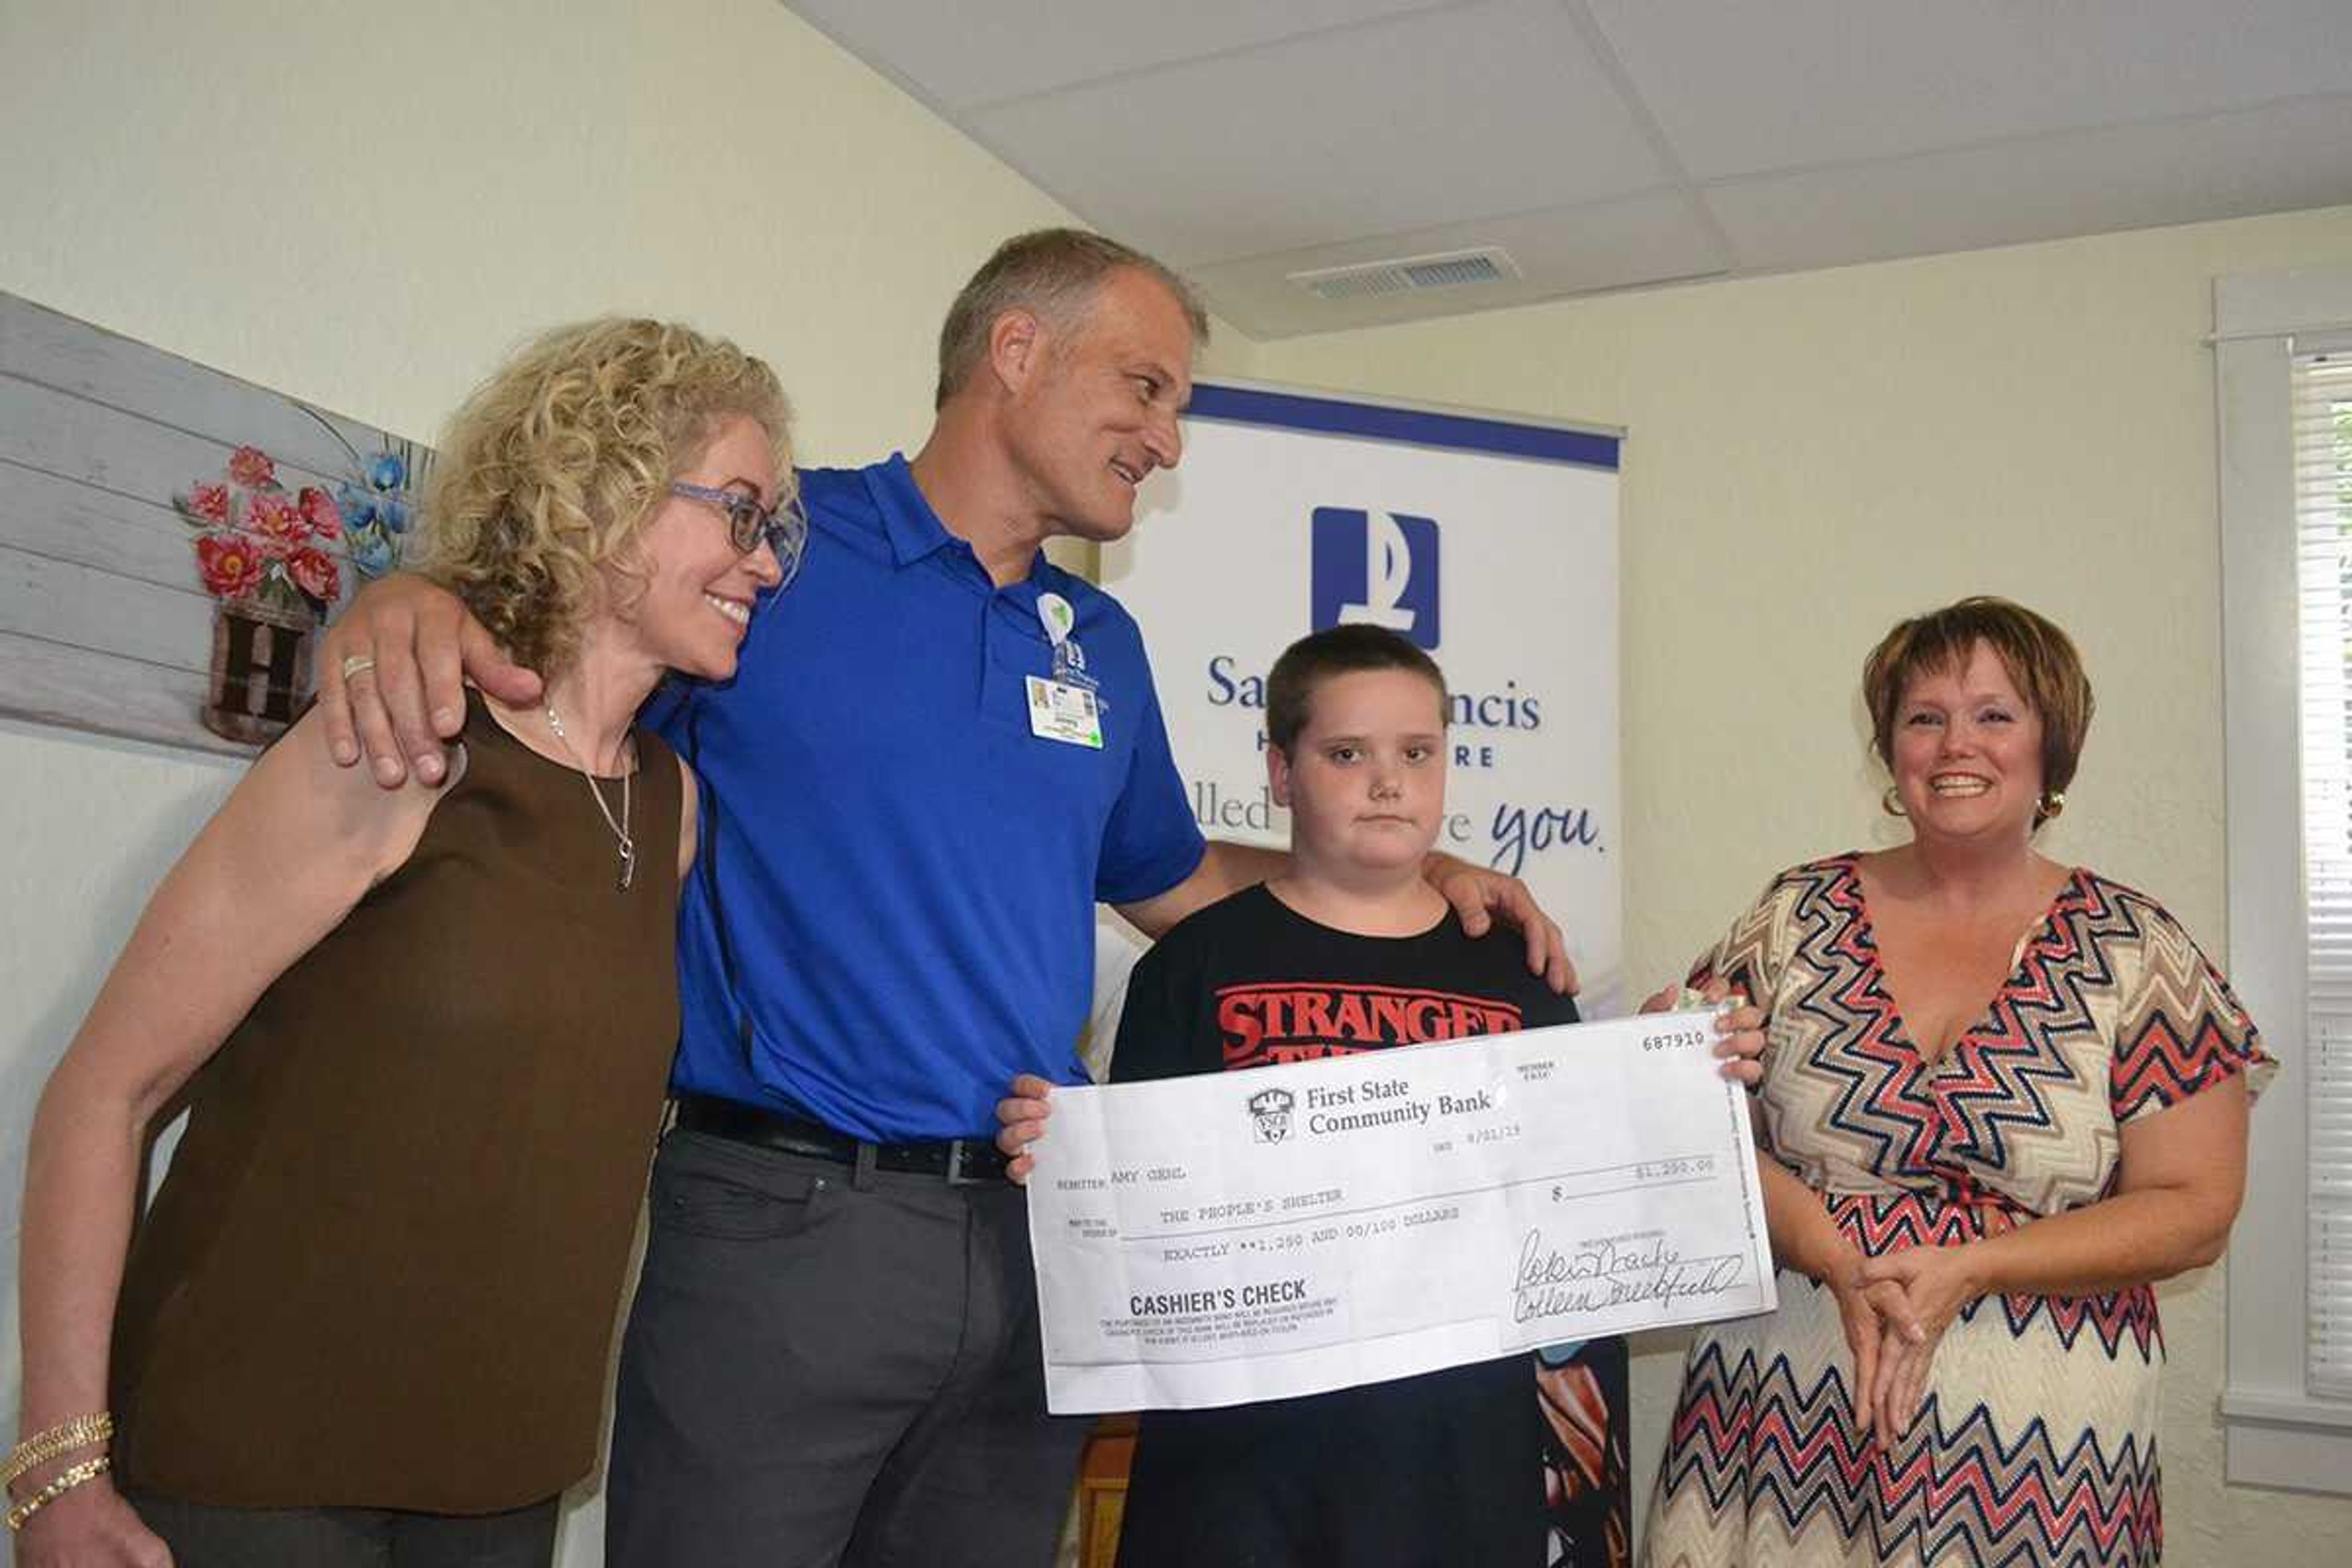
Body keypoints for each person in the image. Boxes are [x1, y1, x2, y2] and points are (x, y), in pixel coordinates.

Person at [312, 230, 1575, 1567]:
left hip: (1036, 1237)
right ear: (1015, 352)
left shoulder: (1103, 643)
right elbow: (563, 663)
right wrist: (402, 600)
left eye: (1180, 404)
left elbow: (1188, 889)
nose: (1169, 437)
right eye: (1145, 388)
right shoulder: (781, 554)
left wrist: (1410, 872)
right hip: (790, 1228)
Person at [3, 317, 800, 1567]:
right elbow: (108, 1090)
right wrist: (57, 1469)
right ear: (603, 498)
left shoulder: (671, 804)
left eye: (776, 531)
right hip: (255, 1465)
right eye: (742, 514)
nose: (765, 564)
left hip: (499, 1481)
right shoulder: (399, 745)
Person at [992, 624, 1766, 1568]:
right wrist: (1065, 1157)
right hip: (1250, 1465)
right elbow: (1140, 1218)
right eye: (1346, 753)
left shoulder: (1517, 970)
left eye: (1417, 753)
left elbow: (1565, 1199)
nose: (1387, 781)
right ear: (1280, 773)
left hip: (1462, 1453)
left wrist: (1662, 1077)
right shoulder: (1195, 966)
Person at [1643, 597, 2273, 1568]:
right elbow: (1698, 1124)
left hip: (2041, 1451)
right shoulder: (1791, 917)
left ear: (2049, 747)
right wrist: (1832, 1249)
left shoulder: (2140, 951)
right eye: (1923, 716)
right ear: (1890, 748)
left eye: (1994, 714)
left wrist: (1976, 1266)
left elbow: (2195, 1209)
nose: (1953, 745)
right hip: (1784, 1406)